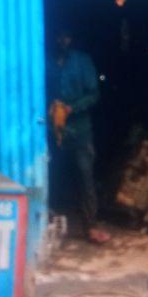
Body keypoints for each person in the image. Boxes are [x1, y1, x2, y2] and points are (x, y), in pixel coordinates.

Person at [46, 29, 110, 244]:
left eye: (66, 36)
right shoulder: (47, 62)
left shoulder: (82, 62)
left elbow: (94, 94)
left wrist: (72, 108)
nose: (62, 40)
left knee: (85, 176)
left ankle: (90, 226)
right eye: (59, 36)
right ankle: (49, 222)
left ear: (72, 39)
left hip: (80, 130)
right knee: (52, 174)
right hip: (54, 129)